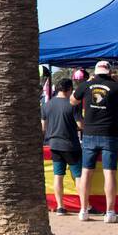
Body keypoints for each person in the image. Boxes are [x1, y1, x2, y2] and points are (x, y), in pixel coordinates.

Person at [72, 60, 118, 222]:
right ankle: (110, 213)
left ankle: (83, 210)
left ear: (95, 72)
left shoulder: (86, 86)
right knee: (109, 173)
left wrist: (87, 83)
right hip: (109, 134)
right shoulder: (117, 87)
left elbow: (72, 101)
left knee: (86, 172)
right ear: (109, 72)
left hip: (89, 133)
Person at [42, 78, 82, 215]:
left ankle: (60, 206)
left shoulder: (47, 105)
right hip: (71, 145)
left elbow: (43, 127)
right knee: (78, 176)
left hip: (54, 144)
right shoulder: (73, 104)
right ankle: (85, 206)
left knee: (58, 175)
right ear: (69, 89)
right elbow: (80, 125)